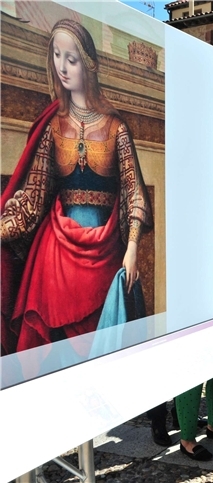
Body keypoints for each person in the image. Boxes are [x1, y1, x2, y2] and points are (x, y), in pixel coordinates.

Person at [1, 19, 152, 355]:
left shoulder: (115, 127)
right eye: (56, 56)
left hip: (107, 250)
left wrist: (131, 247)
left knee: (102, 348)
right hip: (55, 255)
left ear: (89, 62)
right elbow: (32, 198)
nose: (62, 67)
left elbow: (133, 190)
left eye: (71, 58)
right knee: (59, 353)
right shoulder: (53, 126)